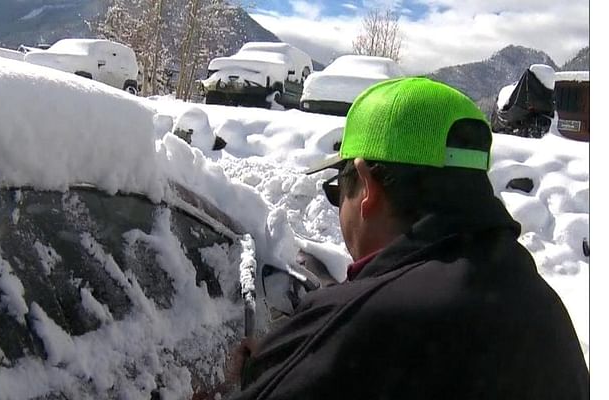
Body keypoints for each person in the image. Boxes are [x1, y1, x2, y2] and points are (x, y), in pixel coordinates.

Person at [229, 77, 589, 399]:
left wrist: (265, 374)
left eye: (338, 190)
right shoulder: (538, 301)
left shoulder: (361, 326)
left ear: (367, 186)